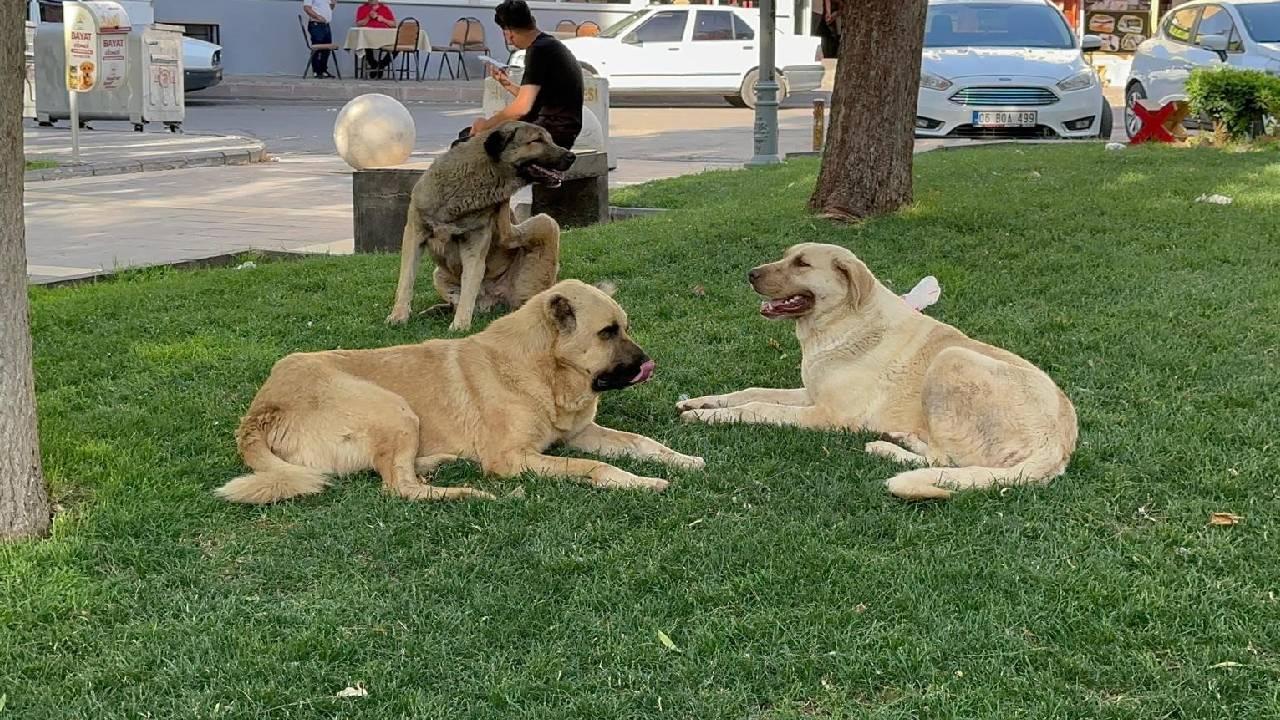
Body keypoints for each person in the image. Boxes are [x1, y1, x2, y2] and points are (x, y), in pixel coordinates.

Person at [467, 0, 584, 150]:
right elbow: (535, 99)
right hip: (560, 128)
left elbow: (522, 108)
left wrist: (485, 125)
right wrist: (508, 85)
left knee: (469, 141)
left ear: (509, 33)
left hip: (549, 132)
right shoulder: (548, 44)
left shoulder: (538, 51)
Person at [355, 0, 396, 79]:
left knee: (396, 47)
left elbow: (393, 24)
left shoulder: (385, 8)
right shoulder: (362, 8)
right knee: (364, 42)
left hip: (384, 38)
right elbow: (359, 24)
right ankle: (374, 64)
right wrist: (368, 17)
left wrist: (383, 20)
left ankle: (381, 65)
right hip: (368, 38)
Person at [302, 0, 337, 78]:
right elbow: (307, 8)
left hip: (326, 25)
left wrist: (333, 4)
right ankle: (316, 71)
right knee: (317, 48)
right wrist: (318, 16)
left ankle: (323, 70)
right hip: (316, 24)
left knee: (327, 49)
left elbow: (329, 8)